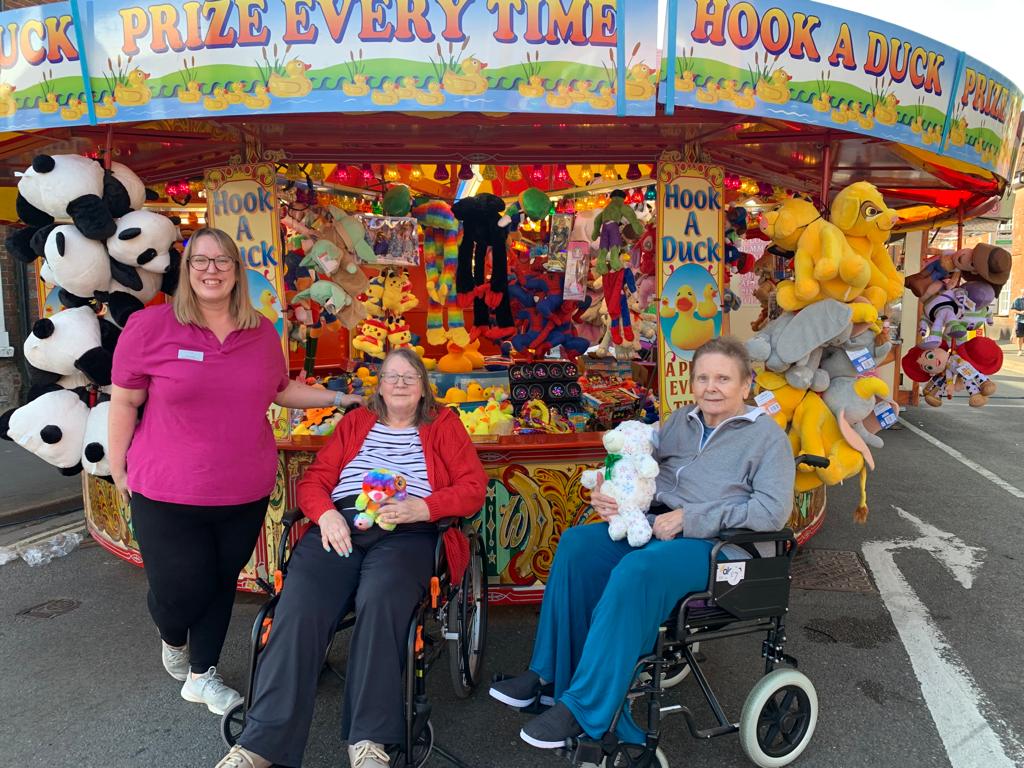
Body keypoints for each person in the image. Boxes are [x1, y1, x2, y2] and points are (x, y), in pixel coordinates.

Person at [489, 336, 795, 750]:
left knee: (639, 569)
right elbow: (640, 468)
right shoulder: (681, 422)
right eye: (703, 377)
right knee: (579, 546)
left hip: (724, 548)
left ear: (746, 384)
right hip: (657, 526)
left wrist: (693, 517)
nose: (711, 387)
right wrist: (612, 494)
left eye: (723, 378)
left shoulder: (766, 437)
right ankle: (548, 674)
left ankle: (588, 711)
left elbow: (772, 512)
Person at [109, 227, 363, 716]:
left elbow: (280, 390)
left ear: (236, 272)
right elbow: (124, 400)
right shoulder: (151, 327)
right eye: (201, 261)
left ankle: (202, 675)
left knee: (221, 581)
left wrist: (338, 398)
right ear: (186, 270)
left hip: (242, 488)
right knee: (178, 588)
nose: (211, 270)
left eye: (222, 261)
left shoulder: (261, 332)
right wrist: (118, 464)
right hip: (166, 487)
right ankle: (171, 634)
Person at [216, 348, 488, 768]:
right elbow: (315, 480)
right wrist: (325, 515)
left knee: (383, 600)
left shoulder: (443, 425)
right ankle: (260, 743)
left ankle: (369, 739)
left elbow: (472, 487)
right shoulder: (357, 422)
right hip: (343, 522)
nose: (399, 383)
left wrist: (424, 507)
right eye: (391, 376)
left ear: (423, 388)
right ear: (378, 386)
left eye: (409, 376)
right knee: (301, 602)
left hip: (409, 529)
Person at [1011, 287, 1024, 356]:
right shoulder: (1017, 300)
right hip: (1020, 320)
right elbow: (1012, 310)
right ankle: (1019, 350)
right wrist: (1020, 312)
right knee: (1020, 336)